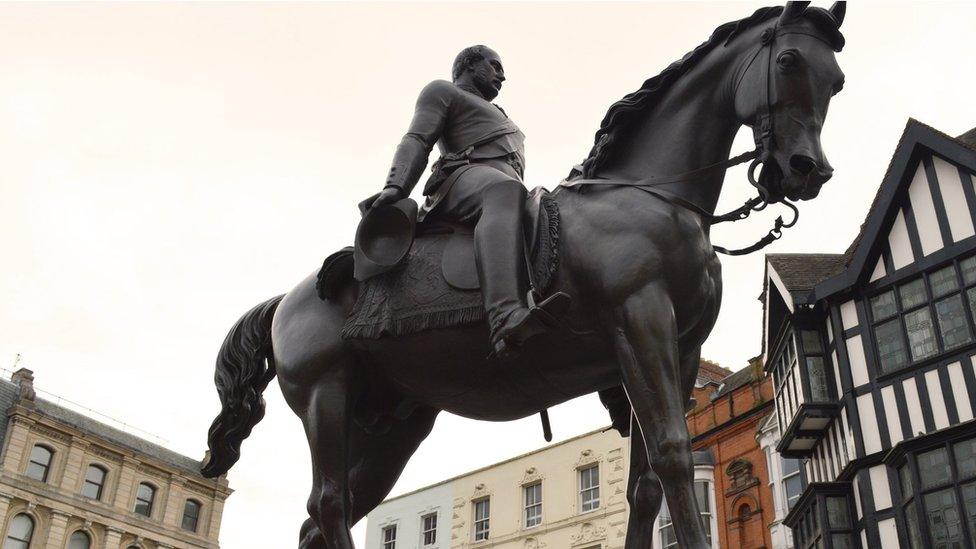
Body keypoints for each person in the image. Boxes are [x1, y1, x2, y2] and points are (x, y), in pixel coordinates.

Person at [363, 45, 564, 359]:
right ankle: (504, 315)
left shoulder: (503, 116)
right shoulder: (443, 90)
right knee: (503, 190)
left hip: (503, 186)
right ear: (469, 65)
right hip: (461, 181)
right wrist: (396, 186)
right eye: (494, 66)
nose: (502, 75)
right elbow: (417, 138)